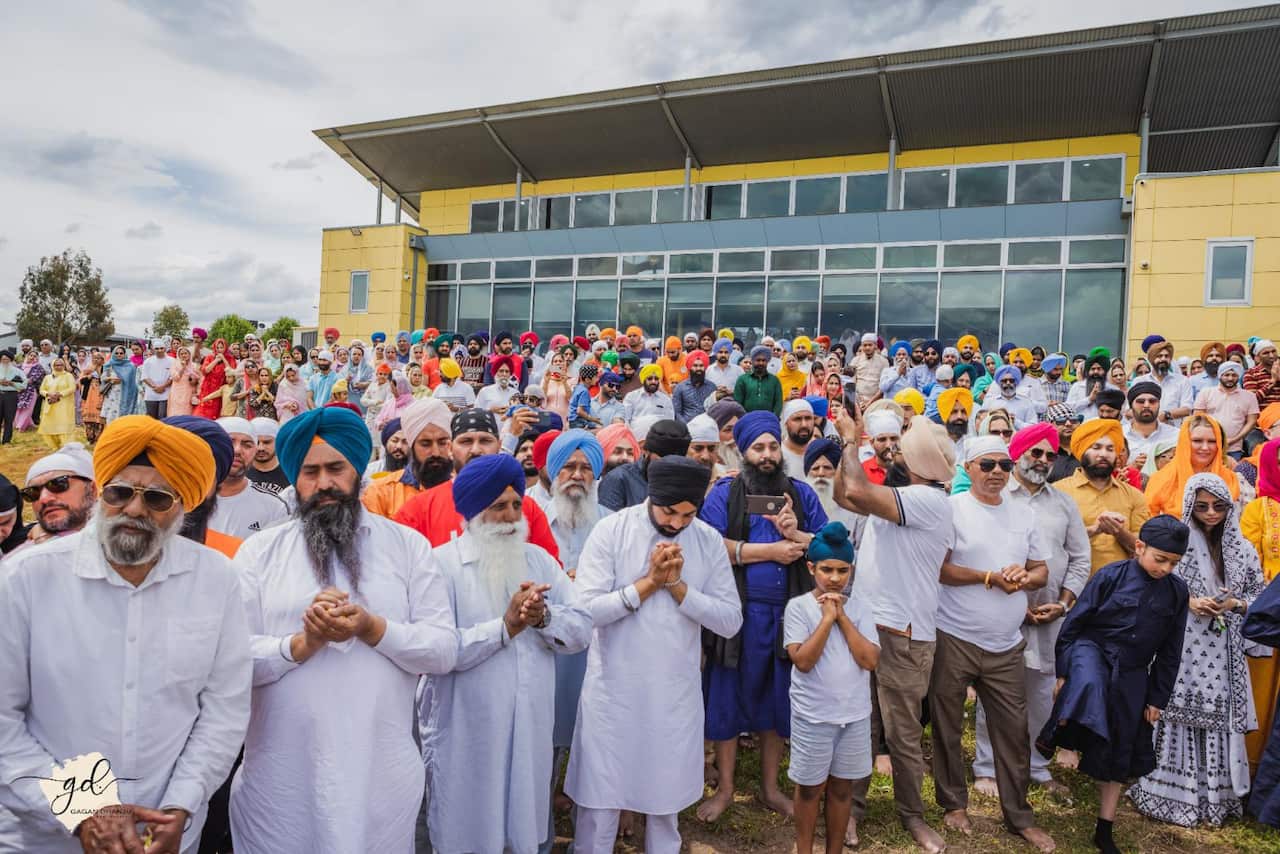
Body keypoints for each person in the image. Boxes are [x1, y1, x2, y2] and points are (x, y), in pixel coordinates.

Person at [0, 415, 251, 853]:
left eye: (156, 498)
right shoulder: (27, 576)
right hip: (46, 833)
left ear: (182, 507)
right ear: (99, 494)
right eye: (119, 493)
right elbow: (3, 719)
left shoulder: (217, 579)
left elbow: (222, 713)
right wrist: (81, 810)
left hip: (166, 832)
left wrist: (181, 806)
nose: (134, 510)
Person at [229, 406, 459, 854]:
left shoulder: (407, 548)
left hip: (381, 777)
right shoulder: (259, 553)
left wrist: (374, 628)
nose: (323, 483)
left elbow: (443, 650)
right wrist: (301, 643)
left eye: (336, 468)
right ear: (295, 480)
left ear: (358, 472)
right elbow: (230, 660)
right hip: (279, 781)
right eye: (310, 472)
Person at [565, 456, 743, 853]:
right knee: (600, 804)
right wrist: (646, 585)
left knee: (666, 807)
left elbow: (730, 620)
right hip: (613, 692)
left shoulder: (707, 539)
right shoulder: (612, 530)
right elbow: (585, 610)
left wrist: (679, 588)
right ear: (651, 496)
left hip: (672, 694)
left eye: (688, 514)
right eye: (670, 512)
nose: (678, 523)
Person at [424, 454, 592, 854]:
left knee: (522, 826)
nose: (511, 515)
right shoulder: (441, 566)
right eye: (499, 506)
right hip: (466, 729)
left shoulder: (539, 561)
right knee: (466, 826)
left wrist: (543, 618)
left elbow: (582, 628)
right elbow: (437, 650)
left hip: (531, 725)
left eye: (516, 504)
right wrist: (504, 628)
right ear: (473, 511)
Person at [698, 410, 829, 821]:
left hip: (788, 615)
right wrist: (768, 551)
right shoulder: (725, 493)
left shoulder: (802, 495)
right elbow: (708, 546)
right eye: (759, 447)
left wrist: (797, 535)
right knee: (728, 696)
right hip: (737, 614)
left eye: (773, 445)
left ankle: (771, 788)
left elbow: (832, 548)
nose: (768, 454)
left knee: (776, 700)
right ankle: (726, 789)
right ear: (742, 451)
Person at [834, 405, 954, 853]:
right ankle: (853, 811)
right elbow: (847, 497)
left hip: (902, 633)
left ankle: (913, 816)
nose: (893, 448)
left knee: (901, 732)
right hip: (871, 623)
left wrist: (850, 438)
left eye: (903, 445)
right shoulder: (907, 493)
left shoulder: (927, 500)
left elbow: (858, 493)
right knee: (859, 724)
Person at [928, 435, 1056, 851]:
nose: (998, 472)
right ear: (968, 468)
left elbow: (1040, 571)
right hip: (955, 635)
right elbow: (940, 569)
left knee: (1013, 731)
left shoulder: (1023, 514)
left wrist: (1023, 576)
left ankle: (1018, 815)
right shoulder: (952, 510)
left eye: (1004, 464)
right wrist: (988, 578)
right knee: (947, 725)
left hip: (1006, 643)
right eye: (988, 465)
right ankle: (953, 803)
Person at [1036, 515, 1192, 854]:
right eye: (1159, 559)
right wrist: (1064, 673)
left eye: (1174, 563)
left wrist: (1157, 698)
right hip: (1092, 649)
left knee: (1123, 743)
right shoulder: (1109, 576)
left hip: (1134, 669)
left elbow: (1170, 650)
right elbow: (1074, 625)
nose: (1165, 568)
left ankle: (1104, 827)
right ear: (1139, 547)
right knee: (1088, 684)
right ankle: (1056, 736)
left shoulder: (1178, 592)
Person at [1130, 474, 1265, 827]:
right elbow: (1154, 583)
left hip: (1225, 649)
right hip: (1183, 643)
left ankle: (1216, 799)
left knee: (1217, 716)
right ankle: (1168, 791)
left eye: (1219, 506)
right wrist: (1188, 601)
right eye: (1202, 505)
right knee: (1174, 708)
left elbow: (1259, 598)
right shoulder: (1178, 543)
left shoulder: (1241, 548)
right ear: (1190, 504)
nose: (1210, 513)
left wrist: (1233, 604)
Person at [972, 423, 1090, 800]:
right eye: (1034, 452)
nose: (1042, 460)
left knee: (1041, 693)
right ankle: (987, 767)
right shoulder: (997, 496)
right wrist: (1016, 604)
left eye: (1050, 455)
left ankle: (1035, 764)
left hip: (1052, 615)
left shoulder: (1063, 503)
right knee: (997, 691)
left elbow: (1080, 558)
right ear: (1017, 454)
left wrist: (1064, 604)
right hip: (1002, 611)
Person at [784, 521, 879, 852]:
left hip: (853, 716)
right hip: (814, 716)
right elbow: (804, 661)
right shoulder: (798, 608)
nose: (835, 578)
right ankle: (805, 848)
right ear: (811, 568)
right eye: (827, 569)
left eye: (842, 570)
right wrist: (826, 619)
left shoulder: (861, 608)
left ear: (851, 570)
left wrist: (841, 617)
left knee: (842, 789)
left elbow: (869, 659)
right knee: (810, 788)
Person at [393, 410, 561, 558]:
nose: (475, 450)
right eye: (466, 441)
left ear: (500, 445)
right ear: (450, 448)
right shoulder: (418, 510)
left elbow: (549, 574)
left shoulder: (528, 509)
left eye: (485, 441)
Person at [1055, 418, 1150, 574]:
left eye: (1110, 449)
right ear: (1082, 452)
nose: (1103, 454)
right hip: (1072, 589)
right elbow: (1052, 544)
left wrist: (1119, 532)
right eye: (1096, 447)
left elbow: (1145, 549)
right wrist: (1094, 530)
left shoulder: (1133, 495)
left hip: (1120, 588)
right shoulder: (1059, 492)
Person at [362, 397, 454, 519]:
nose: (436, 453)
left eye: (442, 443)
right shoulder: (381, 493)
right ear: (412, 445)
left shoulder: (464, 490)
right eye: (425, 444)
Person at [1145, 414, 1241, 517]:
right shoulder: (1160, 480)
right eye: (1197, 441)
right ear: (1184, 442)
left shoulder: (1231, 479)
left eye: (1212, 441)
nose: (1205, 447)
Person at [17, 442, 97, 549]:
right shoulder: (18, 556)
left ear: (92, 489)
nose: (44, 498)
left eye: (57, 484)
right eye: (32, 492)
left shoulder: (120, 540)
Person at [598, 419, 690, 511]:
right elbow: (608, 521)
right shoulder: (619, 479)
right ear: (646, 452)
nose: (667, 468)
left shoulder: (687, 481)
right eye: (661, 461)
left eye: (674, 464)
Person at [1194, 361, 1259, 459]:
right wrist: (1214, 438)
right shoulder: (1206, 392)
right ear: (1220, 375)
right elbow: (1198, 417)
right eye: (1226, 375)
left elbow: (1252, 421)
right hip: (1208, 446)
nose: (1230, 378)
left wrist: (1233, 439)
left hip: (1234, 448)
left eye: (1234, 375)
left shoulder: (1249, 396)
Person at [1123, 381, 1177, 472]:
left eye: (1152, 401)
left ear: (1159, 405)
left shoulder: (1175, 435)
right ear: (1131, 406)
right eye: (1141, 401)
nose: (1146, 405)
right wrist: (1131, 468)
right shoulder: (1120, 434)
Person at [36, 358, 76, 449]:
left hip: (63, 405)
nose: (58, 367)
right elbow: (42, 390)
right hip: (50, 404)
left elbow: (72, 388)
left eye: (61, 365)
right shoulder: (48, 377)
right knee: (49, 425)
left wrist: (60, 394)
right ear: (52, 366)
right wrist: (48, 394)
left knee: (63, 426)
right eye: (56, 365)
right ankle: (54, 446)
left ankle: (66, 446)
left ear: (64, 366)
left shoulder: (68, 376)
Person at [246, 417, 290, 496]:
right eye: (257, 442)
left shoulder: (290, 472)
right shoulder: (240, 472)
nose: (261, 448)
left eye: (266, 442)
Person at [735, 345, 784, 415]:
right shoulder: (743, 379)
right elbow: (738, 402)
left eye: (763, 360)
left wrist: (773, 418)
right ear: (752, 361)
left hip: (768, 421)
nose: (761, 363)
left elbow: (778, 403)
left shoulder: (774, 380)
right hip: (748, 420)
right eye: (758, 360)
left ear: (767, 362)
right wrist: (744, 418)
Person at [195, 338, 235, 419]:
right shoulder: (209, 357)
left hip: (221, 388)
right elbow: (205, 371)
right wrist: (216, 360)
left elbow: (231, 372)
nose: (219, 350)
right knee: (204, 409)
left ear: (225, 348)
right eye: (218, 347)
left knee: (218, 411)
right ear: (214, 348)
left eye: (221, 347)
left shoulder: (230, 358)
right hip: (208, 388)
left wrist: (223, 359)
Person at [780, 398, 818, 479]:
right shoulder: (778, 455)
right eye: (797, 419)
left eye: (808, 418)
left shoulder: (820, 454)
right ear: (786, 423)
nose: (804, 424)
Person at [673, 350, 715, 423]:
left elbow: (715, 411)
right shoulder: (680, 387)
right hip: (686, 428)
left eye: (701, 366)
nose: (698, 369)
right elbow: (677, 413)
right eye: (695, 366)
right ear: (689, 367)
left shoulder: (712, 387)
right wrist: (687, 426)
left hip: (707, 426)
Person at [140, 339, 174, 419]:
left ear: (165, 349)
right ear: (153, 349)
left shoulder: (172, 361)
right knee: (151, 418)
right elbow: (145, 377)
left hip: (166, 393)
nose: (159, 350)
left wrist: (163, 387)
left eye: (161, 348)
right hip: (151, 394)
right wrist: (155, 387)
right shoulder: (148, 361)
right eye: (157, 348)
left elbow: (172, 377)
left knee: (163, 417)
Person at [0, 349, 26, 444]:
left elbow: (24, 384)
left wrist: (11, 383)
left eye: (6, 359)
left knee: (9, 418)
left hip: (11, 396)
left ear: (10, 360)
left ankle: (6, 440)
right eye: (2, 359)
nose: (4, 361)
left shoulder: (17, 371)